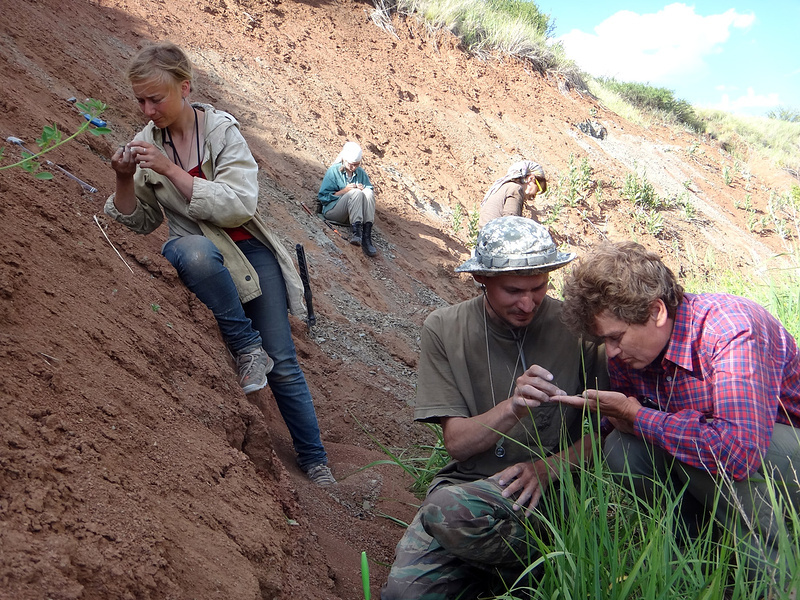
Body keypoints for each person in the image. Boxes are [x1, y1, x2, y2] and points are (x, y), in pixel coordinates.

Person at [104, 42, 335, 486]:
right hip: (198, 250)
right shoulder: (144, 144)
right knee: (192, 250)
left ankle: (316, 460)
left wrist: (173, 171)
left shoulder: (222, 132)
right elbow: (141, 221)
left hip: (250, 251)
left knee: (283, 361)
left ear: (185, 87)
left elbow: (238, 205)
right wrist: (122, 177)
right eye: (141, 100)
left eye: (157, 98)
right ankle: (244, 345)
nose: (148, 110)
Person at [382, 216, 608, 599]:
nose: (528, 303)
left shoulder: (577, 327)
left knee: (448, 514)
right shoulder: (444, 328)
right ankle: (521, 570)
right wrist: (512, 408)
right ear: (481, 280)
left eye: (539, 288)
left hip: (548, 494)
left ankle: (544, 560)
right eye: (513, 290)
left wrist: (548, 467)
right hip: (467, 493)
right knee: (407, 589)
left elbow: (611, 432)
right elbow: (457, 444)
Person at [554, 241, 800, 581]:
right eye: (604, 342)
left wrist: (638, 417)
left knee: (705, 450)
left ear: (657, 311)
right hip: (742, 457)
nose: (610, 353)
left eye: (616, 338)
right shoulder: (635, 353)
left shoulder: (730, 330)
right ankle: (701, 558)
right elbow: (625, 429)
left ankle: (773, 576)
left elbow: (737, 452)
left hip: (776, 456)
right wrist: (619, 419)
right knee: (624, 451)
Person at [317, 141, 378, 257]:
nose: (354, 167)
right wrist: (344, 191)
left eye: (357, 164)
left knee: (368, 193)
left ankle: (366, 235)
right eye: (351, 164)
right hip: (333, 210)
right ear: (345, 160)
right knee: (355, 193)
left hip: (353, 212)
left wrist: (363, 189)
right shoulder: (333, 172)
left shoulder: (360, 173)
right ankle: (357, 234)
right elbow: (323, 197)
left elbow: (369, 193)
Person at [479, 160, 547, 228]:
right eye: (538, 189)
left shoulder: (503, 187)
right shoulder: (515, 189)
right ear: (531, 178)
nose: (535, 195)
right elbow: (510, 223)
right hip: (494, 235)